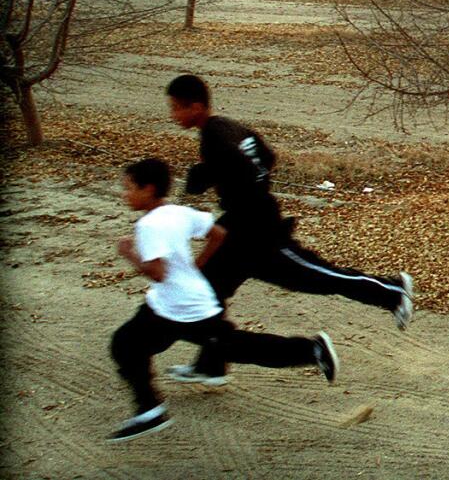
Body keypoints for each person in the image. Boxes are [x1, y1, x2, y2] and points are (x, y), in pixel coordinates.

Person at [164, 75, 413, 385]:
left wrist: (202, 176)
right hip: (238, 228)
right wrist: (244, 182)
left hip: (258, 229)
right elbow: (267, 157)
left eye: (176, 108)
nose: (173, 115)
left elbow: (235, 167)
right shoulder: (229, 126)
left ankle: (392, 292)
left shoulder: (214, 138)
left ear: (197, 106)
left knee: (316, 276)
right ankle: (211, 363)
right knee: (208, 290)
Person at [108, 158, 338, 442]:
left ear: (149, 189)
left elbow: (158, 273)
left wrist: (129, 252)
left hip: (174, 309)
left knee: (124, 345)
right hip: (193, 301)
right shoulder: (179, 212)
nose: (124, 193)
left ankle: (149, 408)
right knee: (236, 347)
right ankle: (312, 350)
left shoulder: (148, 226)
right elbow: (218, 234)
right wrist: (196, 267)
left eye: (129, 187)